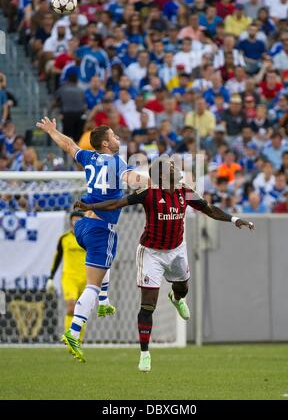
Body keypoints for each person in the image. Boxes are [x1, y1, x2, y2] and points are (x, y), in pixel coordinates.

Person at [75, 157, 254, 372]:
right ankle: (144, 354)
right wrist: (90, 205)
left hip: (177, 250)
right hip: (151, 253)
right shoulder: (148, 193)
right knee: (148, 304)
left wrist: (234, 220)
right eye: (171, 167)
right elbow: (117, 203)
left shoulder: (184, 190)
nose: (176, 169)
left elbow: (207, 208)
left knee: (183, 288)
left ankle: (176, 299)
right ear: (161, 175)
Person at [36, 117, 139, 362]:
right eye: (113, 136)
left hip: (82, 226)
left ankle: (104, 301)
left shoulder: (89, 158)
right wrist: (159, 182)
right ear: (105, 143)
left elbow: (69, 145)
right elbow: (133, 179)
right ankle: (73, 332)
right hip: (100, 228)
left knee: (106, 261)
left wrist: (52, 131)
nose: (117, 139)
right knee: (92, 285)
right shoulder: (117, 162)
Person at [45, 212, 116, 340]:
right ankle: (69, 337)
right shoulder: (64, 239)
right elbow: (57, 258)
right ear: (70, 222)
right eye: (74, 220)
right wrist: (51, 277)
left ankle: (78, 340)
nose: (76, 222)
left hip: (86, 277)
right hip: (69, 277)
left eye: (79, 220)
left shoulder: (88, 237)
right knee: (71, 307)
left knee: (82, 309)